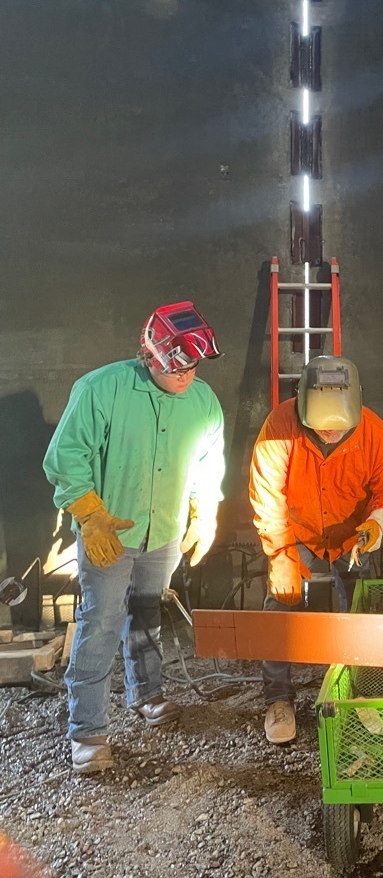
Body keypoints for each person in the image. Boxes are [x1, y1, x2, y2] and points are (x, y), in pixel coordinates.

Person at [43, 301, 225, 774]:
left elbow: (209, 464)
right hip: (109, 532)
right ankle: (87, 729)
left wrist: (204, 513)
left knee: (147, 611)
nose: (186, 375)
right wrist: (88, 513)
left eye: (193, 366)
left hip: (162, 531)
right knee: (100, 620)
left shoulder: (204, 402)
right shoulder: (101, 390)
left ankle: (147, 695)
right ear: (150, 355)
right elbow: (66, 456)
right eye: (177, 365)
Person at [248, 355, 383, 744]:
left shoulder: (374, 432)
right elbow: (267, 494)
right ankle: (278, 698)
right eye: (321, 430)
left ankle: (356, 692)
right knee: (280, 603)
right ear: (302, 406)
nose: (330, 435)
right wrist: (280, 554)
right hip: (297, 530)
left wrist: (377, 523)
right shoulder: (280, 427)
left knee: (358, 605)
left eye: (339, 430)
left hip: (352, 533)